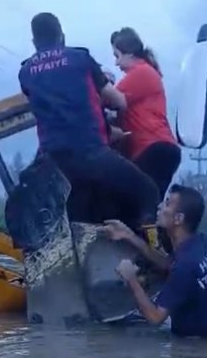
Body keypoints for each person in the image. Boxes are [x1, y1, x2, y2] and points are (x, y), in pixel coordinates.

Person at [18, 13, 160, 229]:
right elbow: (118, 102)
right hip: (91, 152)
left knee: (79, 220)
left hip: (54, 163)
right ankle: (148, 253)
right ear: (61, 36)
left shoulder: (25, 72)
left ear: (34, 42)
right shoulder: (80, 59)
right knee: (148, 191)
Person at [105, 184, 207, 338]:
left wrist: (131, 278)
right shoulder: (200, 243)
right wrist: (129, 235)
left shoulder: (186, 266)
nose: (160, 206)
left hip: (192, 349)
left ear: (178, 219)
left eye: (167, 203)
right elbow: (169, 265)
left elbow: (155, 318)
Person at [102, 27, 181, 201]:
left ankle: (144, 228)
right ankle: (149, 229)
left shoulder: (141, 72)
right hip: (160, 148)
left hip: (152, 146)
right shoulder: (147, 73)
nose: (116, 64)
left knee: (135, 203)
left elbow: (111, 99)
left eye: (117, 56)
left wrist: (97, 82)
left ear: (129, 54)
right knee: (147, 206)